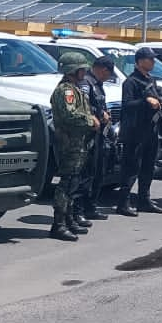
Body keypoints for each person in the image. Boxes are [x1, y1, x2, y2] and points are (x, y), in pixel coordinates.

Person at [49, 50, 100, 240]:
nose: (84, 73)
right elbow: (70, 115)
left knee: (74, 182)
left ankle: (69, 219)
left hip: (78, 143)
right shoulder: (66, 90)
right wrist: (90, 121)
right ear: (73, 70)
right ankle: (59, 224)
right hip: (69, 143)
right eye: (81, 70)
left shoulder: (74, 87)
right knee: (67, 182)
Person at [117, 46, 162, 215]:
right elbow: (127, 105)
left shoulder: (151, 80)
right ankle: (123, 203)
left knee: (148, 167)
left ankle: (144, 200)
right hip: (135, 132)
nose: (153, 62)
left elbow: (159, 99)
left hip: (151, 130)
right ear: (140, 61)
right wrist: (145, 101)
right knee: (131, 168)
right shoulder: (131, 82)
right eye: (150, 59)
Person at [74, 54, 116, 224]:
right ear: (102, 70)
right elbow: (83, 105)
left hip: (99, 135)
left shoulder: (98, 85)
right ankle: (78, 211)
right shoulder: (86, 83)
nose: (107, 77)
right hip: (88, 136)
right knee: (84, 176)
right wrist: (99, 114)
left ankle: (91, 207)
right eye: (107, 73)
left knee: (97, 173)